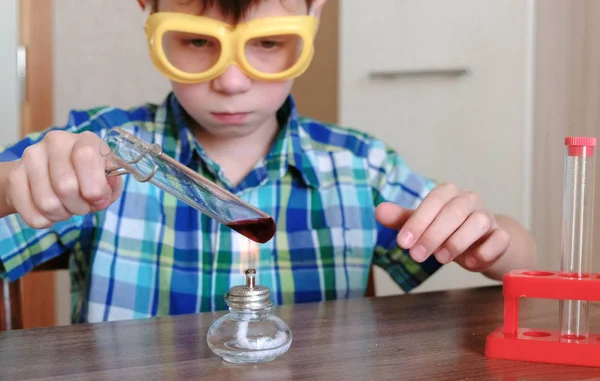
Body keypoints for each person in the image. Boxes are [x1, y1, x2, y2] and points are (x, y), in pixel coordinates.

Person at [0, 0, 536, 324]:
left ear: (314, 13)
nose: (231, 81)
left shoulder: (357, 167)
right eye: (193, 41)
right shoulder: (99, 152)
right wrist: (14, 185)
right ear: (149, 13)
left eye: (270, 43)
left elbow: (525, 264)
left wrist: (492, 241)